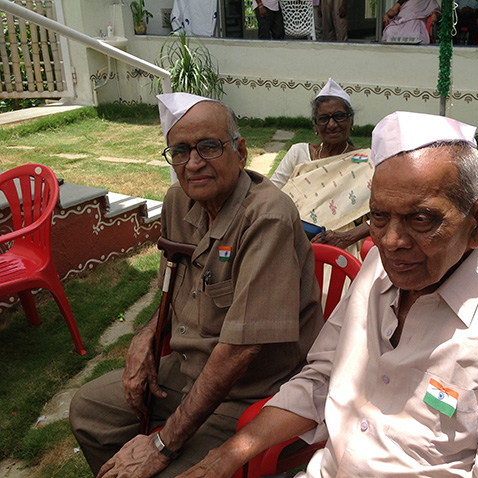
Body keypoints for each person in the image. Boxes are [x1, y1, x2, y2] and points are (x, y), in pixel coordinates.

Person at [176, 111, 478, 478]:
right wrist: (225, 456)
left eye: (420, 219)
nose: (391, 241)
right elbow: (321, 380)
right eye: (378, 216)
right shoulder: (379, 271)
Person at [69, 93, 324, 478]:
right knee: (89, 411)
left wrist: (161, 445)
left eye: (208, 147)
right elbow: (172, 291)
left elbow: (241, 352)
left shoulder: (267, 216)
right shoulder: (177, 202)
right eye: (180, 151)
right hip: (188, 369)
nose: (193, 163)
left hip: (249, 391)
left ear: (240, 152)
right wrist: (144, 337)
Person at [271, 78, 372, 252]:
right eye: (324, 119)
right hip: (291, 240)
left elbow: (386, 214)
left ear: (351, 121)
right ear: (315, 126)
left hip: (341, 248)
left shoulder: (368, 160)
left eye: (339, 117)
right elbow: (269, 196)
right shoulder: (298, 153)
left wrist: (346, 237)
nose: (332, 124)